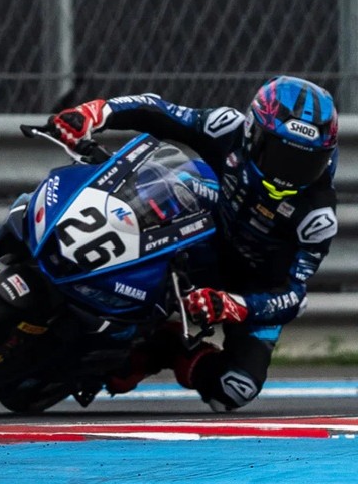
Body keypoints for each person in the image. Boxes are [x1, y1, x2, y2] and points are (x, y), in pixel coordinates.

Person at [48, 76, 339, 411]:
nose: (288, 175)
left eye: (305, 163)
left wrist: (237, 305)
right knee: (177, 180)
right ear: (253, 133)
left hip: (253, 288)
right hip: (199, 239)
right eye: (282, 156)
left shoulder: (316, 216)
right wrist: (97, 112)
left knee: (235, 389)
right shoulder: (226, 127)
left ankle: (165, 347)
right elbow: (158, 111)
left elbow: (293, 295)